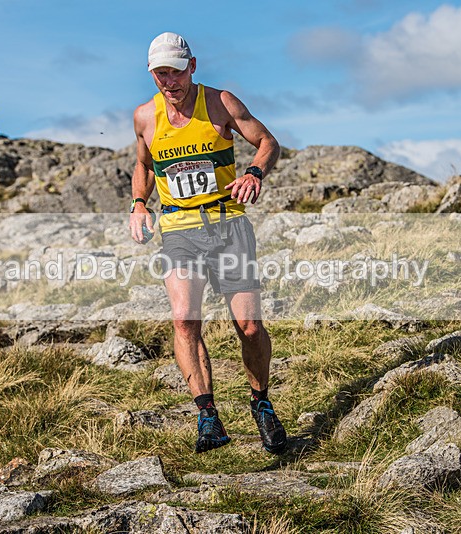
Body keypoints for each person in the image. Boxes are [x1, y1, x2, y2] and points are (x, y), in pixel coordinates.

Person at [129, 32, 286, 454]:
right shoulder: (145, 116)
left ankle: (261, 402)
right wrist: (139, 204)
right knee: (185, 321)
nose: (169, 81)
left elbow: (268, 142)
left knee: (249, 327)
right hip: (179, 230)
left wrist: (254, 172)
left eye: (176, 72)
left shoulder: (220, 103)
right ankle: (208, 416)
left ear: (192, 66)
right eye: (160, 73)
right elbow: (143, 165)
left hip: (227, 225)